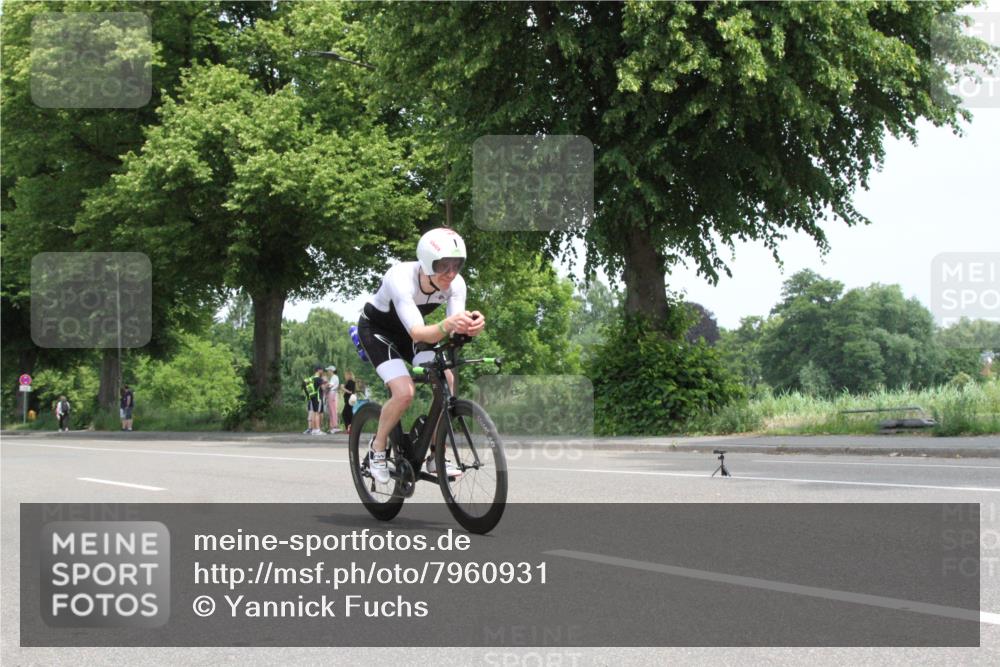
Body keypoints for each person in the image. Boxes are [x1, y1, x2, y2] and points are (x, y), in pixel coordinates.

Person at [355, 227, 485, 484]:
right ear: (426, 263)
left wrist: (469, 327)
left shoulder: (456, 284)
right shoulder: (401, 277)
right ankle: (377, 448)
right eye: (443, 266)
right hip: (378, 331)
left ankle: (436, 455)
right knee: (404, 392)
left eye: (457, 265)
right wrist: (449, 324)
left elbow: (450, 330)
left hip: (413, 333)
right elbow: (417, 332)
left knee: (446, 380)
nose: (451, 273)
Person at [304, 365, 326, 435]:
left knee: (313, 413)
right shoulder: (319, 379)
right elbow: (323, 388)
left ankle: (313, 429)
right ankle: (318, 429)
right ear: (319, 370)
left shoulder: (311, 378)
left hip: (312, 398)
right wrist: (326, 384)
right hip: (318, 398)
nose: (322, 371)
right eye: (322, 370)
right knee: (317, 413)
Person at [325, 366, 340, 433]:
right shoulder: (333, 377)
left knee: (332, 410)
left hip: (332, 393)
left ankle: (335, 426)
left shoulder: (334, 377)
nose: (328, 372)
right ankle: (332, 426)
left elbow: (330, 385)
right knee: (331, 410)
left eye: (328, 370)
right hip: (332, 393)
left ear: (331, 371)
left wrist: (325, 384)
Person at [341, 370, 356, 436]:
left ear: (348, 375)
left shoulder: (350, 382)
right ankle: (350, 428)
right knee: (349, 414)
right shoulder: (352, 382)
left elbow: (350, 391)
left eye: (346, 375)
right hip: (350, 400)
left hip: (349, 400)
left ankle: (349, 428)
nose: (345, 377)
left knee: (345, 414)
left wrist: (343, 388)